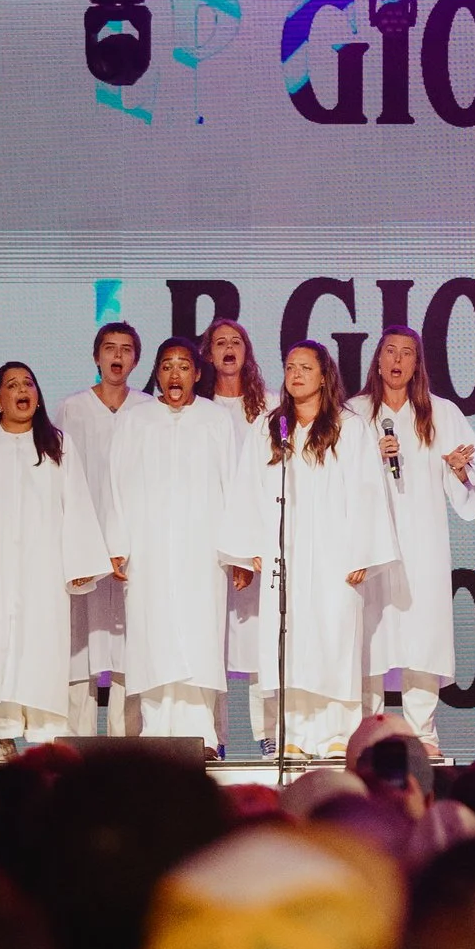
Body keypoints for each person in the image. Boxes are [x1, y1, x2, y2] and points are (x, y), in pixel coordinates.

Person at [232, 341, 396, 758]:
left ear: (325, 375)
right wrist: (250, 544)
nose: (296, 374)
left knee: (334, 637)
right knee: (291, 637)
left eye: (306, 367)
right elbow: (248, 488)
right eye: (290, 367)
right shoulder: (271, 428)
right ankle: (296, 735)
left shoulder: (350, 427)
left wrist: (364, 551)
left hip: (336, 553)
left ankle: (338, 734)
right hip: (283, 551)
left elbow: (367, 491)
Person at [0, 363, 114, 750]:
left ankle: (44, 735)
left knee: (42, 645)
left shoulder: (56, 442)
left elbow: (75, 502)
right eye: (13, 385)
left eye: (29, 384)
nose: (23, 390)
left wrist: (79, 564)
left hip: (43, 565)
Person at [348, 326, 475, 759]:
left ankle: (422, 732)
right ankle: (366, 728)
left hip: (423, 540)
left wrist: (459, 470)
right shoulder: (355, 413)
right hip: (371, 539)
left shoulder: (441, 413)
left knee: (423, 632)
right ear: (377, 359)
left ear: (416, 364)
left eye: (407, 353)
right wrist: (372, 455)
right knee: (369, 632)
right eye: (390, 351)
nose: (397, 360)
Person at [111, 337, 254, 749]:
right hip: (148, 549)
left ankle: (201, 732)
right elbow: (116, 484)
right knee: (152, 634)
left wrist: (239, 551)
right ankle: (156, 731)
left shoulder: (214, 419)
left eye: (184, 366)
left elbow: (234, 486)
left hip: (202, 551)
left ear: (196, 373)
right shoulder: (136, 419)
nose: (176, 374)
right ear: (157, 373)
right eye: (168, 366)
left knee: (199, 635)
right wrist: (118, 543)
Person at [54, 322, 156, 737]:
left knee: (130, 641)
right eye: (109, 348)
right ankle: (74, 738)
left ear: (136, 359)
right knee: (80, 642)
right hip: (85, 538)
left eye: (126, 349)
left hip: (134, 542)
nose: (117, 356)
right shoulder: (71, 409)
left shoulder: (147, 409)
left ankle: (125, 737)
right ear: (96, 356)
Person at [203, 318, 269, 742]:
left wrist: (251, 545)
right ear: (207, 354)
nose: (229, 348)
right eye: (220, 342)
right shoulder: (198, 407)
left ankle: (269, 736)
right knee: (210, 638)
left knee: (261, 641)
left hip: (259, 537)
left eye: (236, 341)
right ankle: (215, 738)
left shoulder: (271, 406)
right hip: (207, 537)